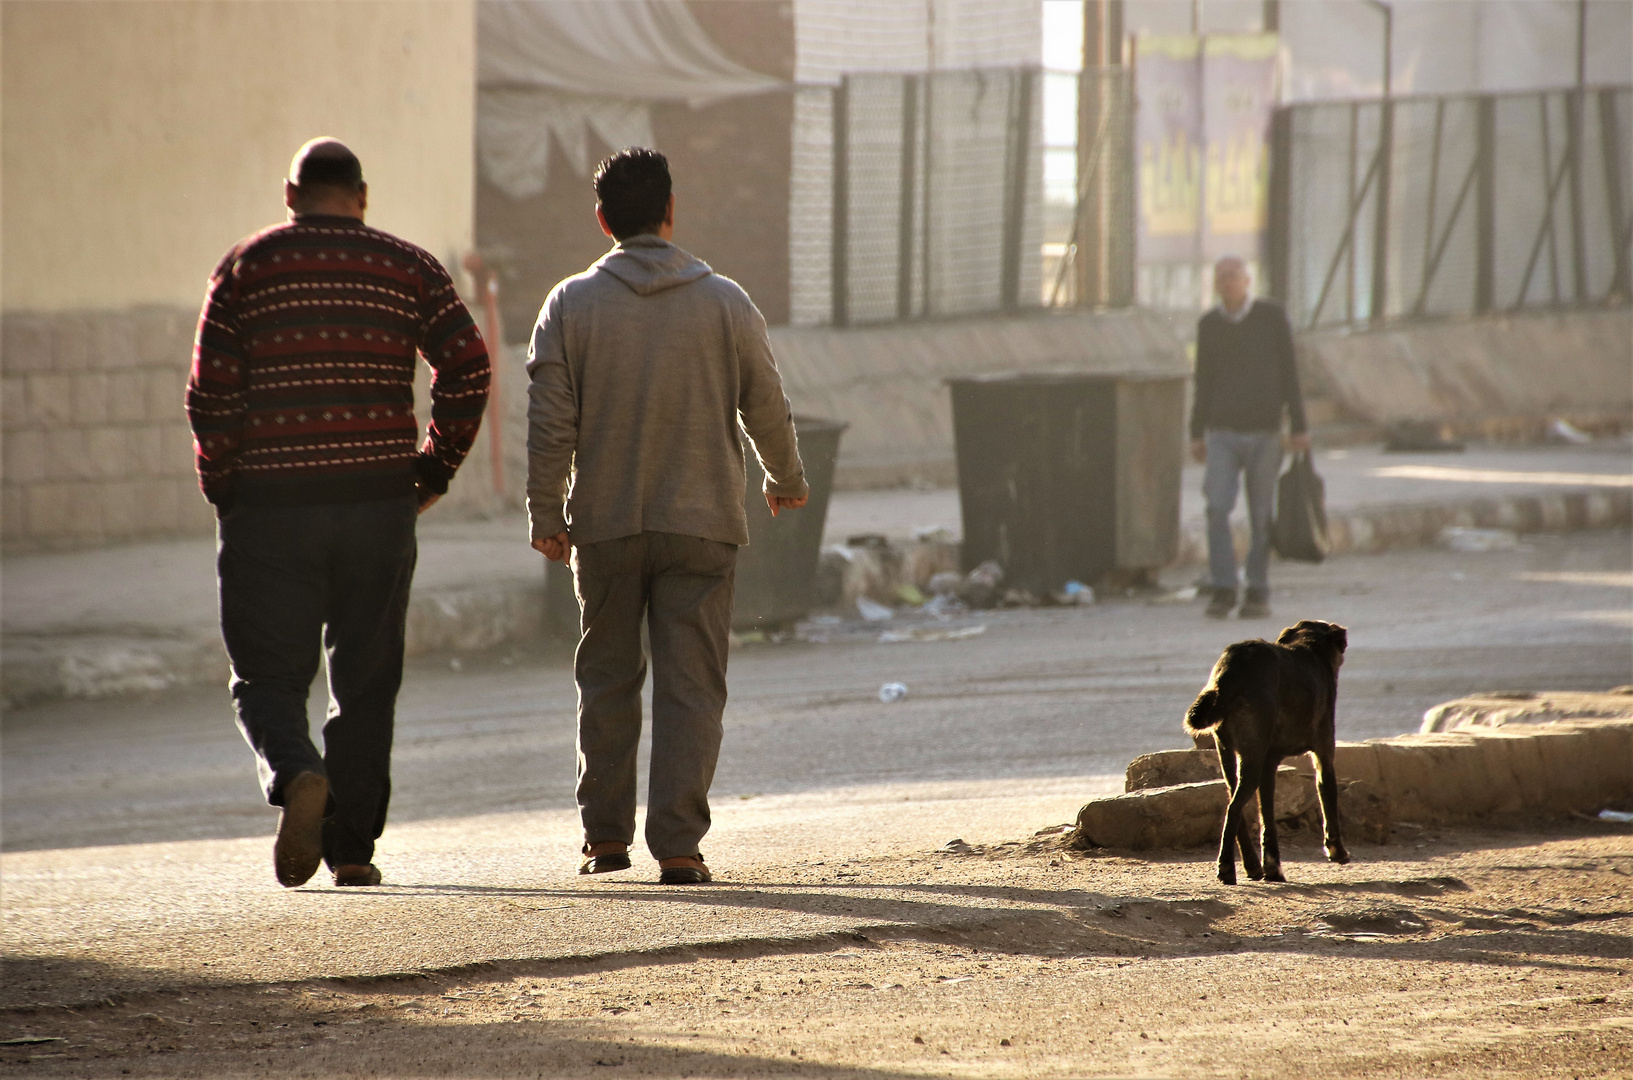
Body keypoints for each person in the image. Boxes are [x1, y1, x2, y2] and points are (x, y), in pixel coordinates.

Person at [187, 138, 490, 888]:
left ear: (291, 196)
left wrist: (223, 480)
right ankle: (352, 847)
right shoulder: (408, 267)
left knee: (266, 675)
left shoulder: (248, 268)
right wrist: (432, 468)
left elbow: (209, 391)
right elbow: (468, 366)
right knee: (366, 677)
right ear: (361, 195)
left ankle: (296, 775)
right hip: (376, 505)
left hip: (271, 509)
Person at [526, 148, 808, 885]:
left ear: (601, 220)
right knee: (691, 687)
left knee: (607, 676)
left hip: (607, 523)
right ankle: (679, 848)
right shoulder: (725, 302)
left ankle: (605, 842)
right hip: (703, 522)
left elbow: (549, 421)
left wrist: (545, 510)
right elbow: (766, 403)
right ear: (670, 211)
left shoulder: (568, 305)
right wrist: (785, 477)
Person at [1189, 256, 1308, 620]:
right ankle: (1224, 587)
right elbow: (1203, 379)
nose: (1227, 283)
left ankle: (1257, 589)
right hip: (1223, 431)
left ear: (1247, 280)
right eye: (1221, 277)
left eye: (1233, 276)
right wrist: (1196, 432)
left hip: (1265, 432)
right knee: (1217, 507)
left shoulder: (1271, 317)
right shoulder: (1209, 325)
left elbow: (1289, 371)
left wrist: (1299, 424)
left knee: (1260, 514)